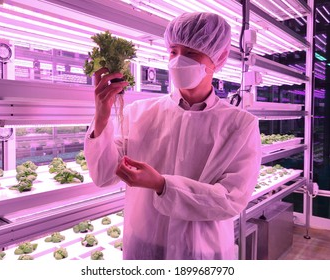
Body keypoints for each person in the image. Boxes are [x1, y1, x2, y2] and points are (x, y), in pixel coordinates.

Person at [84, 12, 261, 260]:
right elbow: (104, 175)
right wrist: (102, 116)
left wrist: (162, 185)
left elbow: (231, 199)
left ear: (218, 59)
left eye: (191, 54)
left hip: (201, 251)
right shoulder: (138, 113)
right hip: (144, 242)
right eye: (173, 51)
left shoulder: (240, 125)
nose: (178, 61)